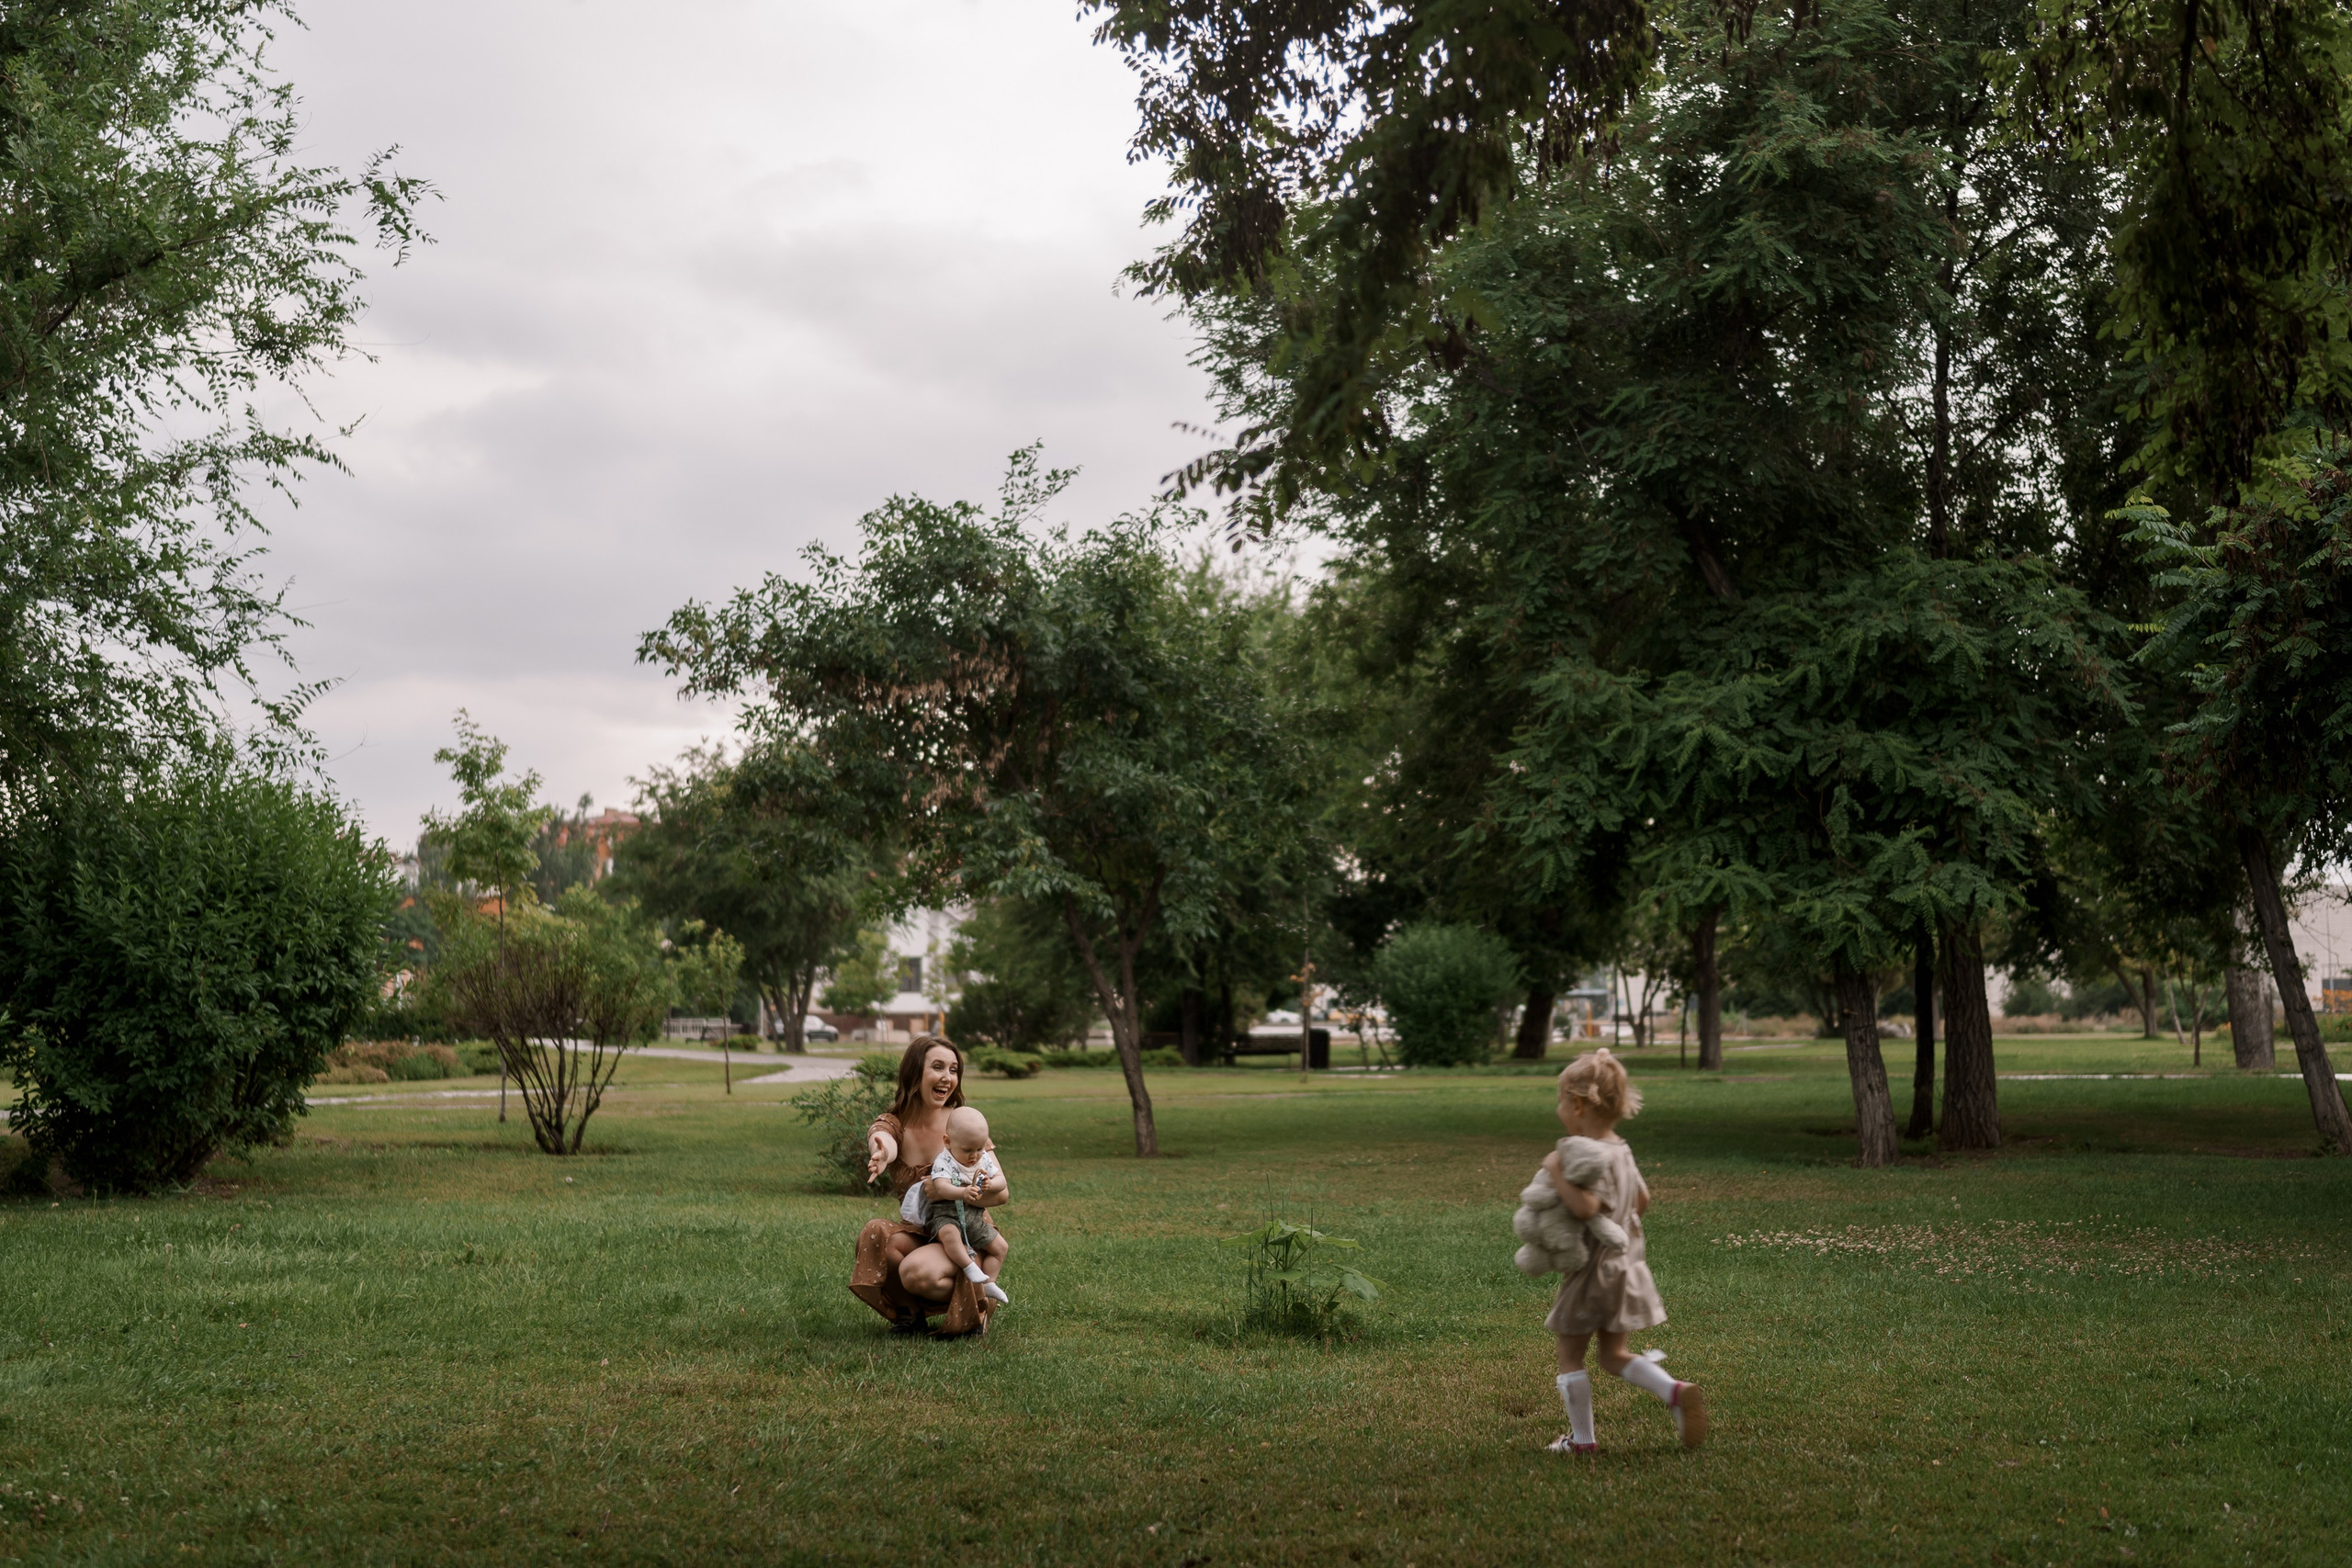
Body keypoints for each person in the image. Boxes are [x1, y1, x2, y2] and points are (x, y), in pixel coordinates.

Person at [1541, 1047, 1706, 1453]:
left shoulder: (1583, 1156)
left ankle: (1582, 1441)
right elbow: (1643, 1200)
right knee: (1613, 1353)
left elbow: (1584, 1207)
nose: (1558, 1106)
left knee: (1570, 1355)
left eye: (1561, 1099)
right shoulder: (1622, 1150)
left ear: (1578, 1105)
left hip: (1592, 1271)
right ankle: (1673, 1390)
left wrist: (1556, 1170)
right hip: (1627, 1267)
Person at [847, 1035, 1006, 1335]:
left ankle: (978, 1300)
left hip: (964, 1231)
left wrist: (953, 1190)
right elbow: (883, 1137)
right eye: (937, 1067)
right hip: (923, 1230)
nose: (947, 1077)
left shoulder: (963, 1124)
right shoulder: (895, 1123)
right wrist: (880, 1151)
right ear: (915, 1073)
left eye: (954, 1069)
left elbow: (1002, 1194)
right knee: (875, 1232)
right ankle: (910, 1314)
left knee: (917, 1273)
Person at [902, 1106, 1011, 1304]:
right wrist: (963, 1192)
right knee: (949, 1235)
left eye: (979, 1149)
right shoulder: (945, 1160)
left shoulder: (982, 1158)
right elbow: (941, 1188)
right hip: (947, 1215)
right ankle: (968, 1266)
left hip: (974, 1219)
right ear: (948, 1142)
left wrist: (990, 1184)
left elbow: (1002, 1183)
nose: (974, 1156)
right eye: (968, 1150)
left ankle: (989, 1283)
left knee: (1001, 1247)